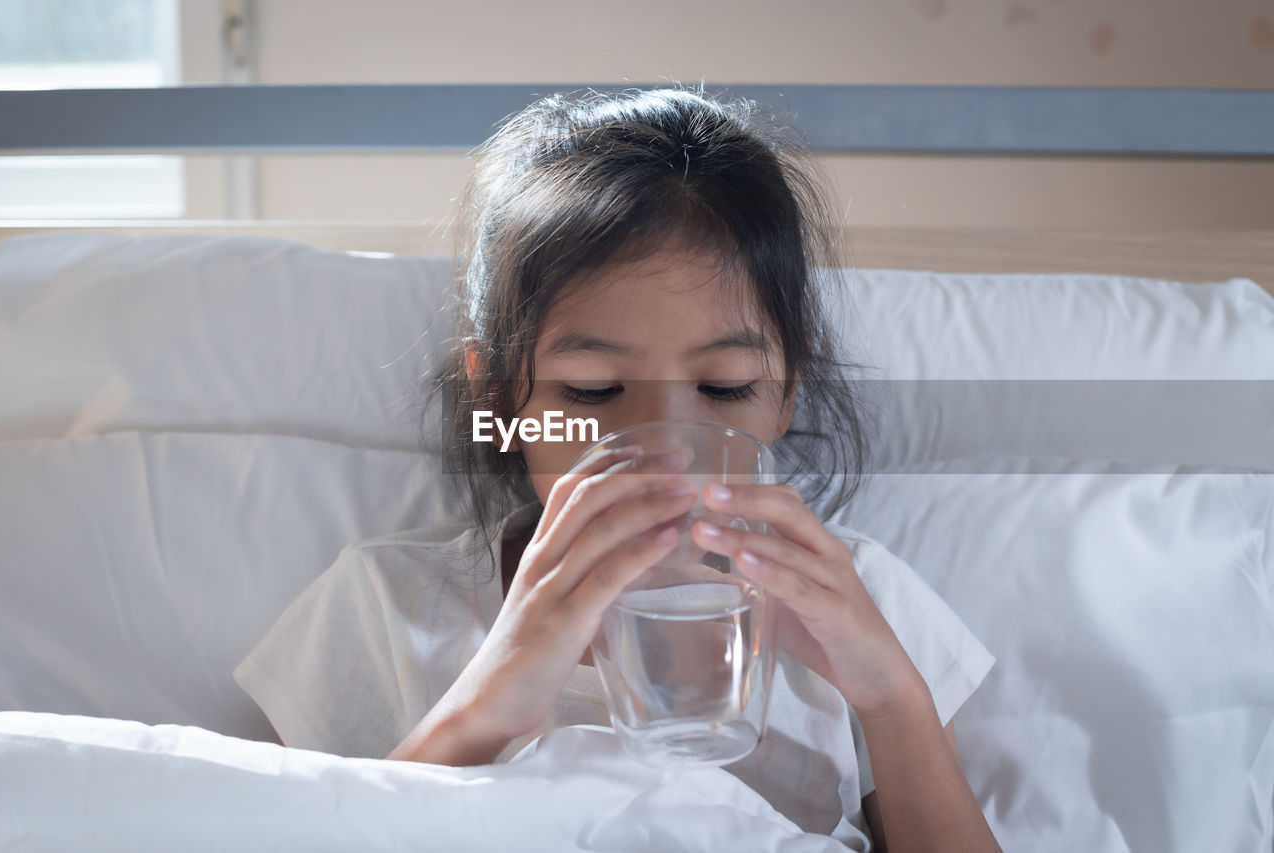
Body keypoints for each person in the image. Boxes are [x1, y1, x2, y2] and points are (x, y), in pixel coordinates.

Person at [233, 84, 1000, 852]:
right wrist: (485, 707)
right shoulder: (389, 609)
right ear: (503, 396)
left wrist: (893, 698)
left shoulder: (859, 603)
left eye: (725, 387)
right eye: (594, 392)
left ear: (785, 394)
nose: (666, 447)